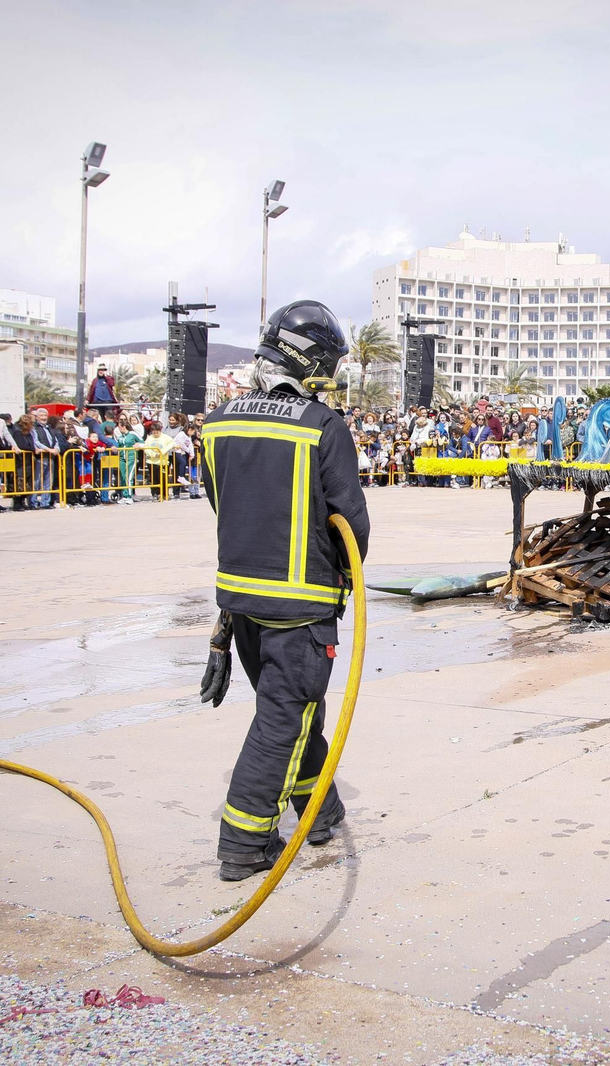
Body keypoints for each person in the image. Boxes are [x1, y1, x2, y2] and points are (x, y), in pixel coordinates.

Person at [198, 299, 369, 883]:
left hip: (240, 603)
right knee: (282, 722)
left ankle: (320, 813)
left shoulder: (218, 423)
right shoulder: (321, 425)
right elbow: (351, 524)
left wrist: (222, 627)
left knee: (299, 715)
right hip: (300, 608)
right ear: (311, 360)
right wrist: (344, 579)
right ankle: (243, 841)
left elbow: (223, 506)